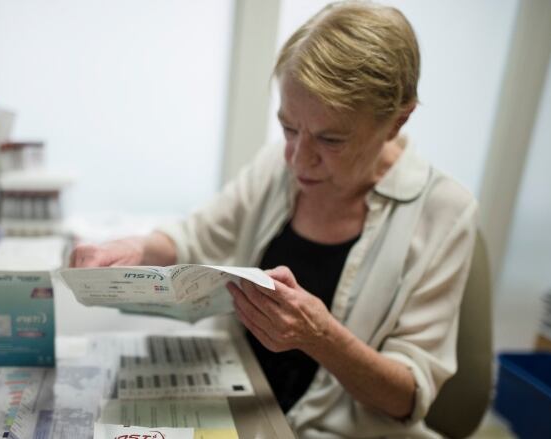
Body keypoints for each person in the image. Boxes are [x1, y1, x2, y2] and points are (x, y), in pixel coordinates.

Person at [70, 1, 476, 437]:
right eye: (288, 128)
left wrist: (322, 337)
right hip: (241, 400)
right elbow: (196, 235)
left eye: (331, 139)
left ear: (397, 121)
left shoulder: (443, 211)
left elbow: (408, 398)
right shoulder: (276, 167)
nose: (298, 159)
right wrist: (137, 247)